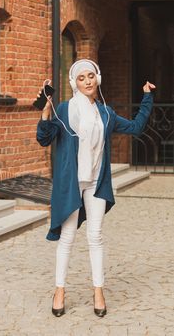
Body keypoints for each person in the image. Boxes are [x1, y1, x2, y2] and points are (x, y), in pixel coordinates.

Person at [36, 59, 156, 318]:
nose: (88, 81)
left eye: (91, 76)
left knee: (96, 237)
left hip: (96, 183)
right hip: (70, 184)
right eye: (82, 78)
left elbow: (135, 127)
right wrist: (46, 111)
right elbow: (44, 138)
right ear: (74, 83)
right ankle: (59, 290)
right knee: (67, 238)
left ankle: (98, 290)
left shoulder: (106, 113)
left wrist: (147, 97)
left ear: (97, 79)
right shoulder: (65, 110)